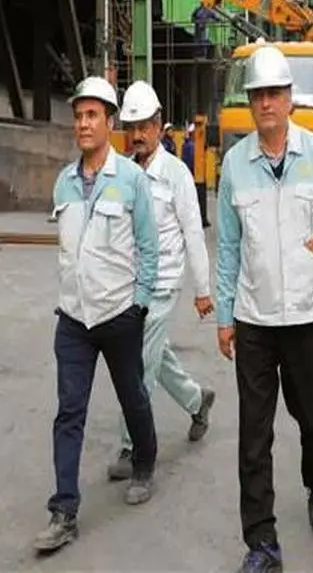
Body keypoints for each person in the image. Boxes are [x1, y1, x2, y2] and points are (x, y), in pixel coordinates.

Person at [215, 44, 313, 573]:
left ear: (289, 100)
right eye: (258, 95)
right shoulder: (236, 165)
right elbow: (229, 246)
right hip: (254, 319)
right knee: (253, 435)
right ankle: (262, 542)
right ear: (250, 101)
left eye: (274, 94)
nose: (266, 103)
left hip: (308, 316)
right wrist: (224, 315)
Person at [33, 76, 160, 555]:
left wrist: (139, 303)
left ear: (110, 122)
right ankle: (63, 511)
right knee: (69, 411)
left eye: (92, 115)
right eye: (78, 116)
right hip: (73, 319)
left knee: (133, 397)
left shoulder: (130, 180)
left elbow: (149, 248)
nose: (83, 124)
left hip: (118, 314)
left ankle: (144, 462)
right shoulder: (64, 182)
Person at [106, 81, 218, 480]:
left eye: (144, 126)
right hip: (129, 285)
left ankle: (131, 445)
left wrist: (202, 290)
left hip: (164, 283)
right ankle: (196, 400)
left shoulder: (176, 175)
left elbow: (193, 232)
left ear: (158, 125)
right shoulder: (121, 171)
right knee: (156, 355)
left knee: (137, 363)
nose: (137, 134)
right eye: (131, 127)